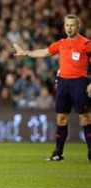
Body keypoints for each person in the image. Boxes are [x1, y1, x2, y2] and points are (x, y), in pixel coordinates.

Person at [13, 14, 91, 161]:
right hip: (63, 83)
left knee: (84, 117)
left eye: (72, 25)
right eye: (67, 25)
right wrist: (26, 53)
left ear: (77, 26)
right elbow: (44, 52)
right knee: (61, 118)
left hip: (80, 82)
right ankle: (58, 153)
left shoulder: (86, 44)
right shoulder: (61, 43)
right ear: (64, 26)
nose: (69, 28)